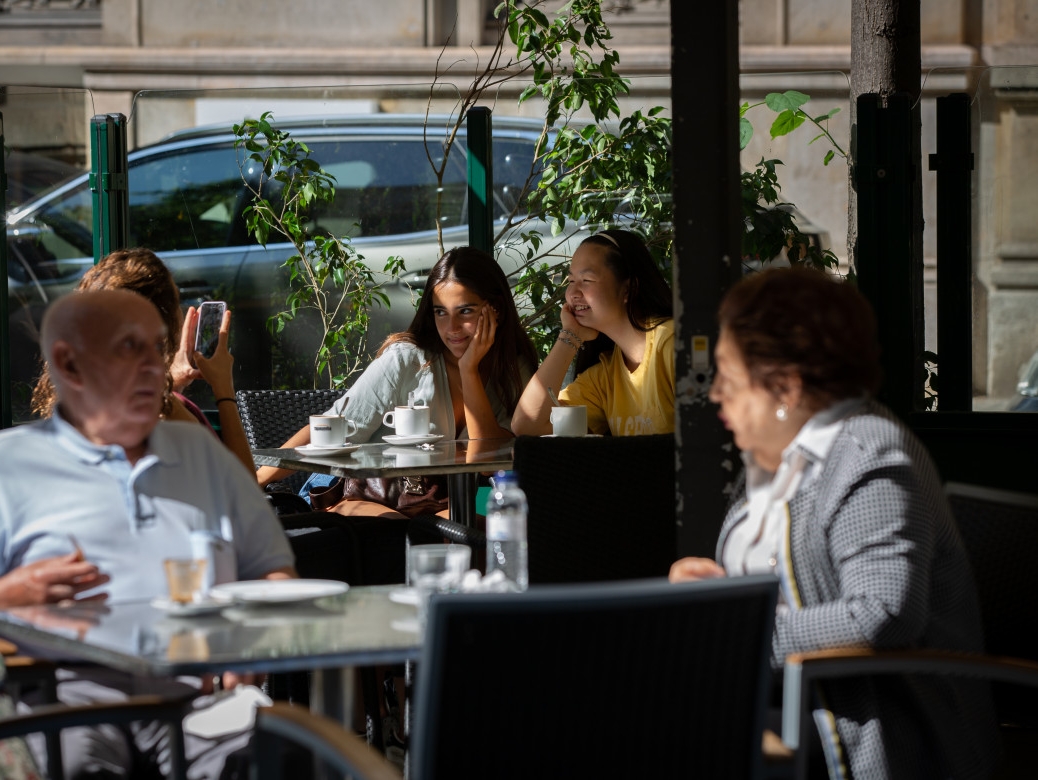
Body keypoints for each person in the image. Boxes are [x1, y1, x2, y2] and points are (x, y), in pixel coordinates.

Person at [0, 288, 296, 778]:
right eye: (131, 348)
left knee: (286, 757)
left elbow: (273, 571)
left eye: (158, 346)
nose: (155, 365)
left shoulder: (199, 451)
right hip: (65, 700)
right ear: (69, 365)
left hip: (194, 700)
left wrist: (251, 636)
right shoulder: (6, 462)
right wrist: (13, 594)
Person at [668, 266, 998, 780]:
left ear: (786, 387)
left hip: (858, 737)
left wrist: (735, 631)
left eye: (728, 381)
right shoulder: (778, 459)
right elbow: (795, 587)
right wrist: (726, 593)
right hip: (782, 709)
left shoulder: (867, 455)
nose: (714, 397)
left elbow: (883, 614)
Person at [258, 245, 538, 517]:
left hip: (442, 499)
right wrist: (254, 482)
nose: (451, 328)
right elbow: (331, 429)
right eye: (441, 312)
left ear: (495, 310)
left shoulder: (513, 369)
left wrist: (469, 371)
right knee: (397, 535)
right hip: (360, 492)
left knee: (487, 524)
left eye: (465, 311)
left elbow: (487, 462)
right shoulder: (408, 359)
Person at [29, 247, 255, 473]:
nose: (181, 310)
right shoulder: (167, 413)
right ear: (160, 319)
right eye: (176, 299)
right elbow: (243, 489)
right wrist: (224, 388)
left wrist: (173, 383)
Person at [511, 228, 675, 437]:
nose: (572, 293)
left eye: (586, 280)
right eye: (570, 282)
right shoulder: (605, 375)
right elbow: (527, 425)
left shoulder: (671, 344)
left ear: (629, 289)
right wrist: (570, 335)